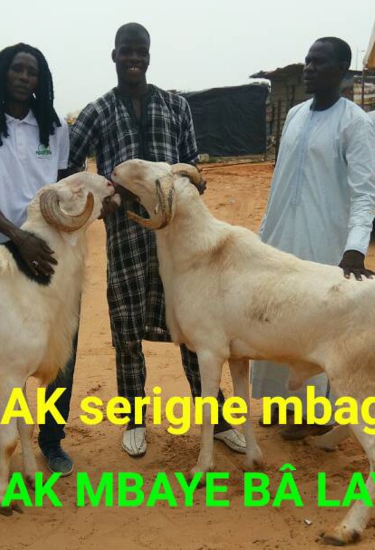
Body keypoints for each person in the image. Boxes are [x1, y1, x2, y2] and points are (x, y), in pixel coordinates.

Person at [68, 22, 245, 458]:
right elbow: (70, 165)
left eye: (141, 52)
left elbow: (192, 164)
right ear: (114, 55)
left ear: (149, 55)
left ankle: (216, 417)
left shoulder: (175, 106)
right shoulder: (97, 111)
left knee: (193, 326)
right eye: (127, 51)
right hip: (126, 235)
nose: (134, 59)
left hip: (178, 240)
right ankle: (133, 418)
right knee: (127, 329)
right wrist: (101, 200)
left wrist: (186, 189)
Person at [249, 37, 375, 439]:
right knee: (272, 320)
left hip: (323, 242)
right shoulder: (295, 115)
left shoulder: (355, 122)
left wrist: (354, 248)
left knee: (313, 328)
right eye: (307, 61)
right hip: (278, 240)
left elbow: (364, 192)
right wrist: (262, 237)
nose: (308, 68)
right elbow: (279, 182)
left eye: (318, 63)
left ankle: (313, 415)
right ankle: (280, 402)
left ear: (341, 71)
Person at [0, 43, 75, 476]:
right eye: (17, 69)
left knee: (56, 349)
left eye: (32, 71)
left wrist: (50, 240)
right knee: (0, 355)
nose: (24, 76)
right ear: (2, 74)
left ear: (41, 80)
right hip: (2, 254)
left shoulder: (54, 129)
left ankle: (51, 440)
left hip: (52, 258)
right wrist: (17, 238)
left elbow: (64, 193)